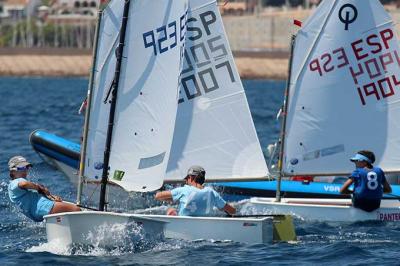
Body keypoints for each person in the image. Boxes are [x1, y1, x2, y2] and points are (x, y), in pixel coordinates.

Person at [7, 155, 81, 222]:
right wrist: (39, 187)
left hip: (37, 213)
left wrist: (51, 197)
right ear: (12, 172)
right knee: (76, 209)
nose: (25, 170)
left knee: (64, 211)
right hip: (43, 207)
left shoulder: (21, 187)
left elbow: (34, 195)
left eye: (26, 167)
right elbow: (24, 183)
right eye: (21, 168)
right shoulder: (15, 182)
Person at [155, 165, 236, 216]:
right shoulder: (212, 192)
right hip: (206, 227)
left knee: (171, 209)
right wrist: (225, 209)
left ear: (192, 177)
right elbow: (232, 211)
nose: (186, 181)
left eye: (187, 178)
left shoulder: (183, 190)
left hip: (184, 225)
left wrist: (164, 193)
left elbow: (158, 196)